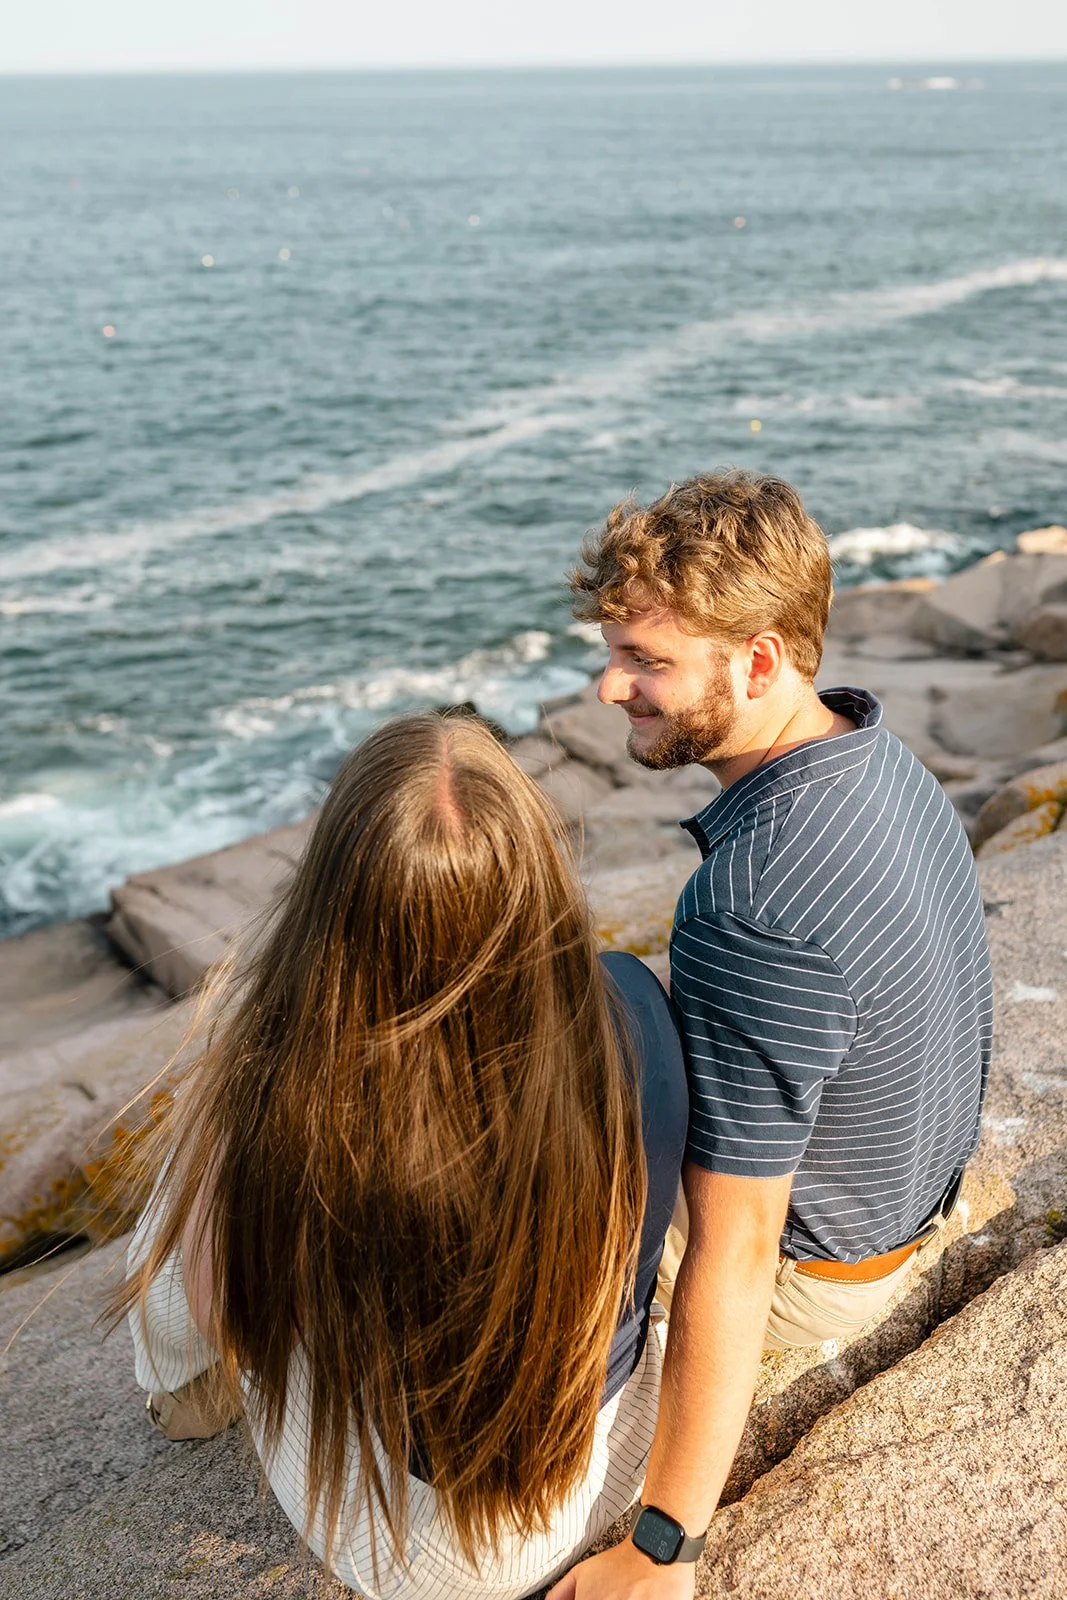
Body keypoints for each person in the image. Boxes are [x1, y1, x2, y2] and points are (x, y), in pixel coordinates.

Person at [115, 711, 688, 1600]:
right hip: (599, 1473)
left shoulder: (297, 1099)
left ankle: (177, 1398)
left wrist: (238, 1110)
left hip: (429, 1553)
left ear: (332, 903)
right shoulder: (635, 1002)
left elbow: (227, 1313)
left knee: (200, 1173)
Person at [553, 470, 992, 1598]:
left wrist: (660, 1544)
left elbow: (735, 1252)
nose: (610, 687)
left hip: (819, 1271)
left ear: (755, 661)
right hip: (904, 1192)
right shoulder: (871, 751)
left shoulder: (750, 905)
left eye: (645, 661)